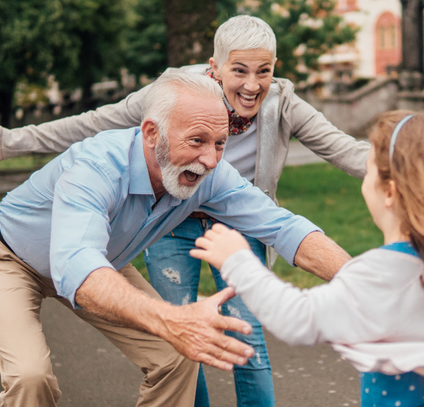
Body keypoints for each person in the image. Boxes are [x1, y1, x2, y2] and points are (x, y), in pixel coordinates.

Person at [0, 15, 370, 407]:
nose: (210, 160)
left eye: (220, 143)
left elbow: (284, 228)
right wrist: (171, 319)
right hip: (15, 258)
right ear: (151, 133)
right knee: (30, 376)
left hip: (101, 257)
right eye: (196, 141)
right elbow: (75, 265)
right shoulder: (98, 167)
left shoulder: (210, 172)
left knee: (178, 355)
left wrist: (362, 283)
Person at [191, 109, 424, 407]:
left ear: (389, 192)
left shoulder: (380, 275)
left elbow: (297, 318)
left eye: (368, 168)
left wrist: (238, 260)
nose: (364, 179)